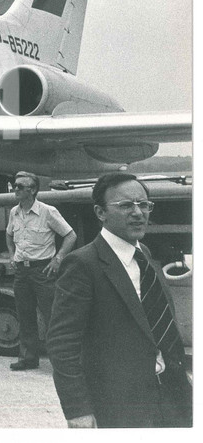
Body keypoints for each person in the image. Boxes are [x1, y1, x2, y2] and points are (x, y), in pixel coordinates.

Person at [47, 172, 192, 428]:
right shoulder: (82, 264)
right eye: (125, 206)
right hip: (121, 404)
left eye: (144, 204)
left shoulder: (143, 254)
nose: (138, 213)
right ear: (100, 213)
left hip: (170, 395)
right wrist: (77, 410)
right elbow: (62, 344)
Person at [4, 170, 76, 371]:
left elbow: (70, 235)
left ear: (33, 190)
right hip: (22, 273)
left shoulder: (47, 211)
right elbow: (9, 235)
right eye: (14, 185)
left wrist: (58, 259)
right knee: (25, 316)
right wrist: (12, 255)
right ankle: (28, 358)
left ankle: (61, 361)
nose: (15, 189)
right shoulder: (14, 212)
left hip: (43, 272)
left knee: (53, 317)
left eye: (20, 186)